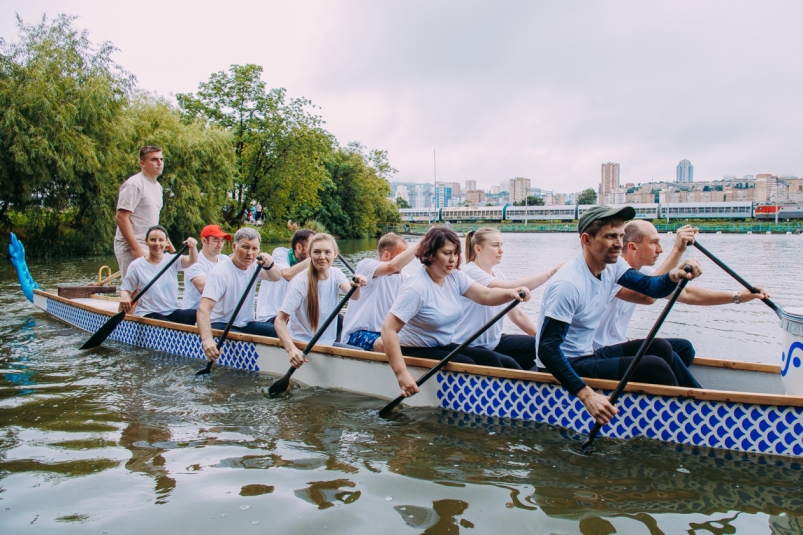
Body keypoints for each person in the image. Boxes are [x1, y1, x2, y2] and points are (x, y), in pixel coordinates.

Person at [536, 205, 703, 426]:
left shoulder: (611, 266)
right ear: (586, 240)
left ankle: (700, 400)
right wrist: (587, 396)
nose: (619, 244)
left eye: (621, 236)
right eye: (610, 236)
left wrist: (673, 275)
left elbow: (650, 288)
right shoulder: (568, 284)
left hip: (587, 354)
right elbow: (547, 351)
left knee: (660, 347)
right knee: (654, 366)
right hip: (564, 365)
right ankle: (688, 421)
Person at [593, 220, 769, 388]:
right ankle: (693, 402)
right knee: (661, 352)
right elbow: (648, 295)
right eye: (654, 243)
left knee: (684, 348)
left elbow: (686, 293)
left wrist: (737, 296)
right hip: (597, 352)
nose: (660, 250)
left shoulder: (644, 272)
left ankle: (665, 389)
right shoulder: (611, 271)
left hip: (617, 344)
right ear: (632, 247)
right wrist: (677, 250)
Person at [381, 227, 531, 399]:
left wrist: (511, 292)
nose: (453, 260)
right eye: (446, 253)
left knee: (495, 360)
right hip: (412, 349)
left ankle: (516, 398)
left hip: (441, 345)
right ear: (430, 254)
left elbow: (486, 295)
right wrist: (401, 374)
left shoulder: (455, 277)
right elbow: (388, 330)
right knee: (468, 364)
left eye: (455, 253)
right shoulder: (416, 288)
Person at [452, 228, 563, 370]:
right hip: (468, 344)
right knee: (506, 363)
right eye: (495, 245)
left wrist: (544, 340)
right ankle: (517, 381)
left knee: (536, 346)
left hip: (493, 343)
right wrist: (550, 274)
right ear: (478, 249)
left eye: (501, 244)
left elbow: (517, 315)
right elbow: (510, 287)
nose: (501, 250)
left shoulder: (498, 275)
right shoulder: (470, 272)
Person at [274, 233, 368, 368]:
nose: (322, 257)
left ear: (335, 254)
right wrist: (291, 350)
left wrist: (356, 284)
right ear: (309, 254)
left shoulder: (336, 273)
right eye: (317, 252)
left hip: (325, 343)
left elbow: (354, 296)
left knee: (361, 352)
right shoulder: (300, 281)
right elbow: (280, 321)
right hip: (301, 344)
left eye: (327, 252)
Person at [197, 228, 283, 362]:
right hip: (220, 323)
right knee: (240, 336)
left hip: (245, 323)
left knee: (281, 332)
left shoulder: (256, 265)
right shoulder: (220, 272)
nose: (250, 253)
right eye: (245, 247)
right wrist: (207, 341)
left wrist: (269, 264)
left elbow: (276, 277)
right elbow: (203, 309)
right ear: (234, 247)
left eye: (255, 249)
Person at [342, 233, 419, 352]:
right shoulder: (366, 266)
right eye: (402, 256)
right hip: (357, 334)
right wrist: (423, 242)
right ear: (386, 254)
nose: (405, 262)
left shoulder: (405, 279)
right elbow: (391, 267)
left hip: (387, 333)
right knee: (387, 344)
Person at [119, 225, 198, 325]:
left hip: (172, 311)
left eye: (161, 240)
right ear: (146, 241)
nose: (157, 243)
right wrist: (124, 296)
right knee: (168, 325)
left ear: (166, 243)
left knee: (200, 315)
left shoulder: (173, 260)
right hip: (149, 313)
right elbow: (125, 290)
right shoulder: (136, 265)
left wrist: (193, 246)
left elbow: (193, 260)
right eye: (153, 240)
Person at [114, 146, 166, 280]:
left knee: (151, 289)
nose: (159, 163)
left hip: (150, 244)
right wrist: (136, 248)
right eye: (154, 159)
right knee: (133, 291)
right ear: (142, 163)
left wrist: (167, 244)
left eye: (161, 159)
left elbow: (152, 219)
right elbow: (121, 217)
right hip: (130, 245)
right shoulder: (134, 184)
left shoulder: (157, 187)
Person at [256, 229, 316, 324]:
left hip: (293, 316)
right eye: (313, 247)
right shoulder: (280, 253)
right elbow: (287, 275)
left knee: (338, 319)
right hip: (272, 316)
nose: (316, 251)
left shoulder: (311, 264)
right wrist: (313, 259)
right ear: (299, 247)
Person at [181, 225, 231, 311]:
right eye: (215, 240)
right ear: (204, 240)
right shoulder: (194, 263)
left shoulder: (225, 259)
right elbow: (204, 289)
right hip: (194, 311)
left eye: (222, 241)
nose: (220, 245)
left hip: (216, 312)